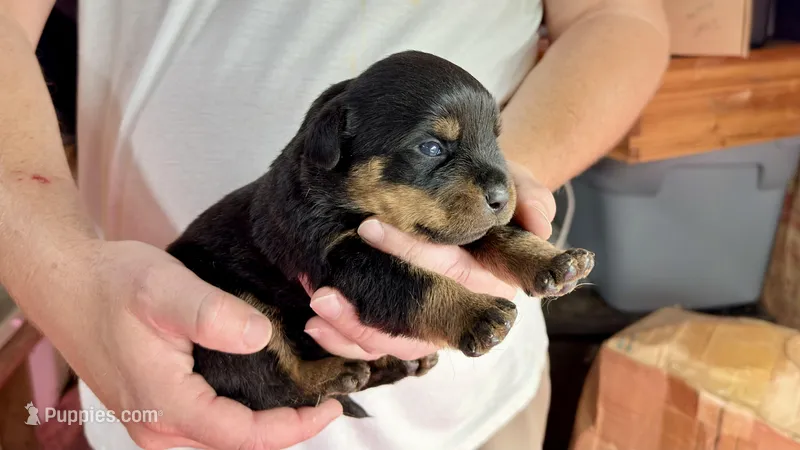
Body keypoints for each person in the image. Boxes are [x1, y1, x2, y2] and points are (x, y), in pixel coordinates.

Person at [0, 1, 669, 449]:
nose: (485, 176)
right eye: (434, 148)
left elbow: (622, 16)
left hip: (466, 419)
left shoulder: (463, 185)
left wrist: (513, 180)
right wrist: (67, 281)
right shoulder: (311, 205)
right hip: (153, 377)